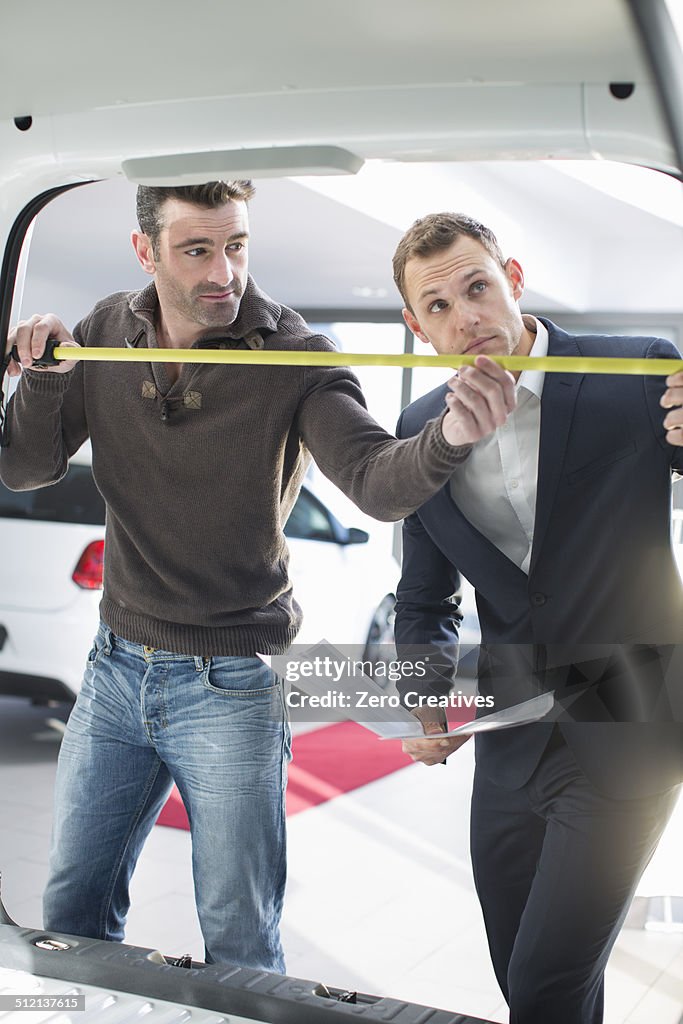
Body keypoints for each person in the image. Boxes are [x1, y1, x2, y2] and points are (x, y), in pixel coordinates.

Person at [0, 181, 472, 973]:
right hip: (114, 670)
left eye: (237, 245)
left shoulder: (297, 358)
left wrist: (454, 431)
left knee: (240, 937)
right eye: (197, 250)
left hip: (233, 687)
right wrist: (41, 377)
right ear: (144, 251)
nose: (225, 271)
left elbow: (375, 482)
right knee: (70, 914)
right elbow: (25, 468)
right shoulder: (106, 331)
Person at [391, 212, 683, 1024]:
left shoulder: (636, 371)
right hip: (510, 741)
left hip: (629, 724)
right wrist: (422, 697)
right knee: (521, 974)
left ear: (512, 279)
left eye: (477, 288)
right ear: (416, 326)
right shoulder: (419, 431)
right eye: (439, 307)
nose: (467, 319)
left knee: (546, 988)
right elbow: (424, 599)